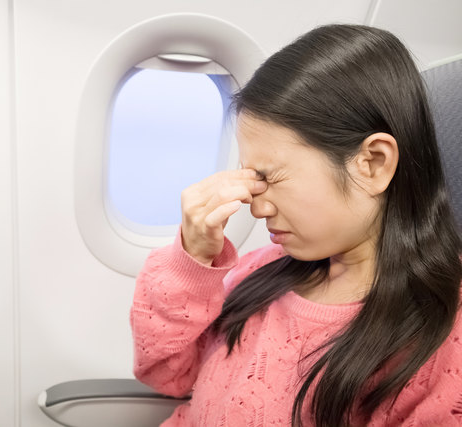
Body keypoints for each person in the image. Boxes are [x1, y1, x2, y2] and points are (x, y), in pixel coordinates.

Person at [130, 24, 462, 426]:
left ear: (372, 163)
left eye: (268, 177)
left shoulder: (439, 336)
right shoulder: (261, 270)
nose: (256, 208)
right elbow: (169, 375)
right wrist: (193, 263)